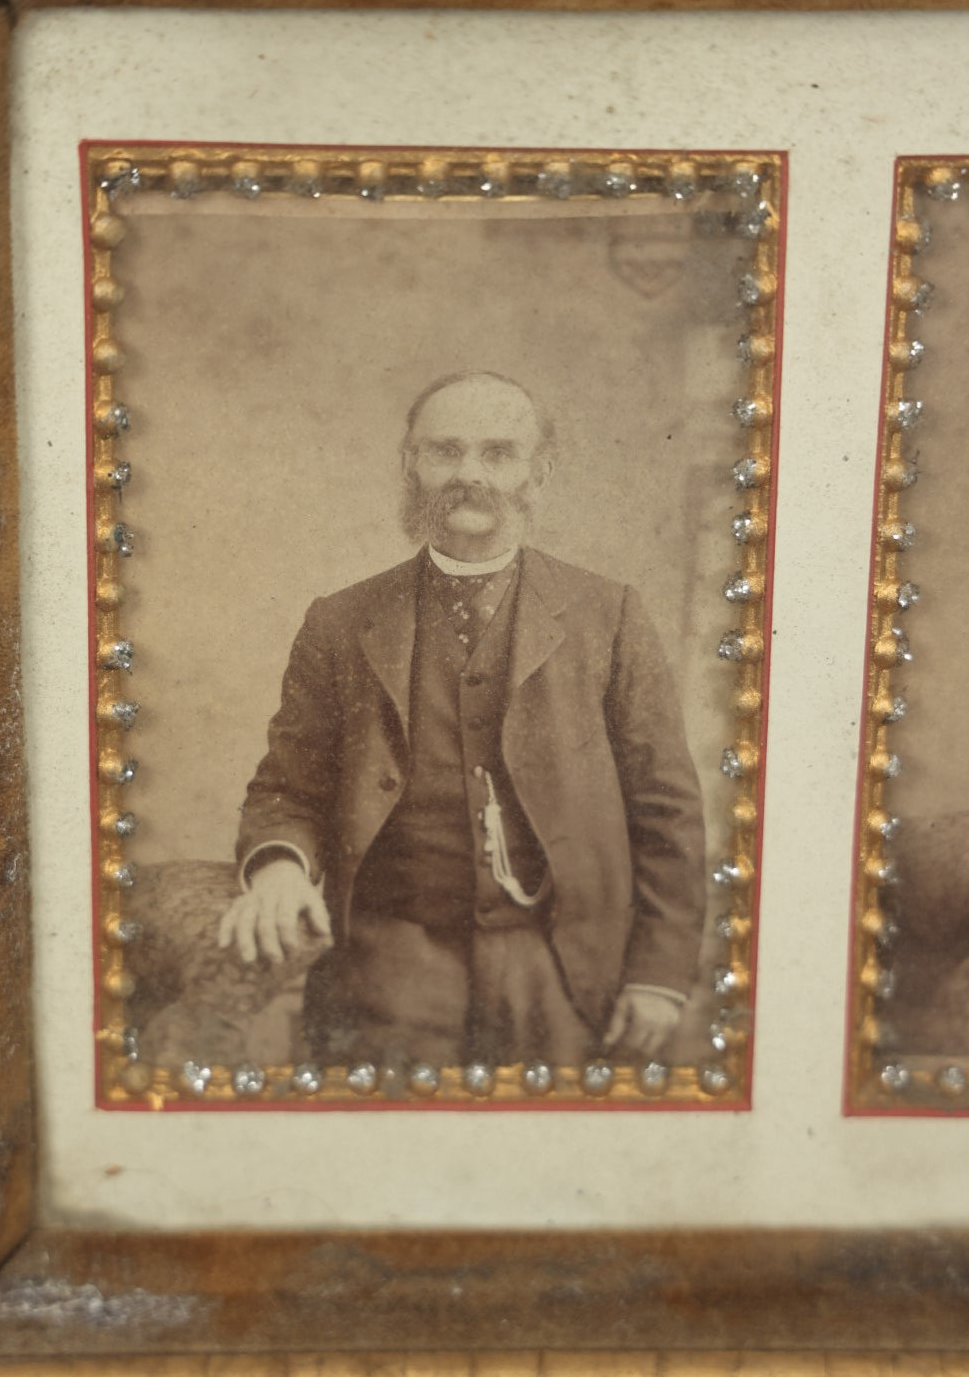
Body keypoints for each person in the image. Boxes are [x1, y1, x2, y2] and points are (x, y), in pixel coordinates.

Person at [218, 371, 706, 1068]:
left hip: (564, 970)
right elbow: (287, 790)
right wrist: (277, 870)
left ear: (536, 476)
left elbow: (667, 814)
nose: (469, 474)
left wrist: (658, 975)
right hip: (390, 970)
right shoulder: (341, 621)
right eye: (445, 451)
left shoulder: (609, 616)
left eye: (498, 454)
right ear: (410, 466)